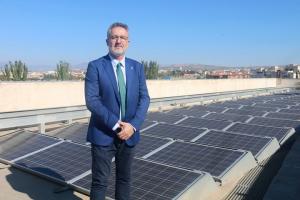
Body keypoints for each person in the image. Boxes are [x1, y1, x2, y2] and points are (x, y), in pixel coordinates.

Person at [84, 22, 150, 200]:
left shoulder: (137, 67)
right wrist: (116, 124)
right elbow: (92, 100)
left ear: (128, 42)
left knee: (124, 180)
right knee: (100, 182)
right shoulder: (95, 66)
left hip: (129, 134)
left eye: (122, 37)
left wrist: (133, 126)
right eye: (114, 37)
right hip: (103, 134)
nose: (118, 41)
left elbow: (145, 99)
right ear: (107, 41)